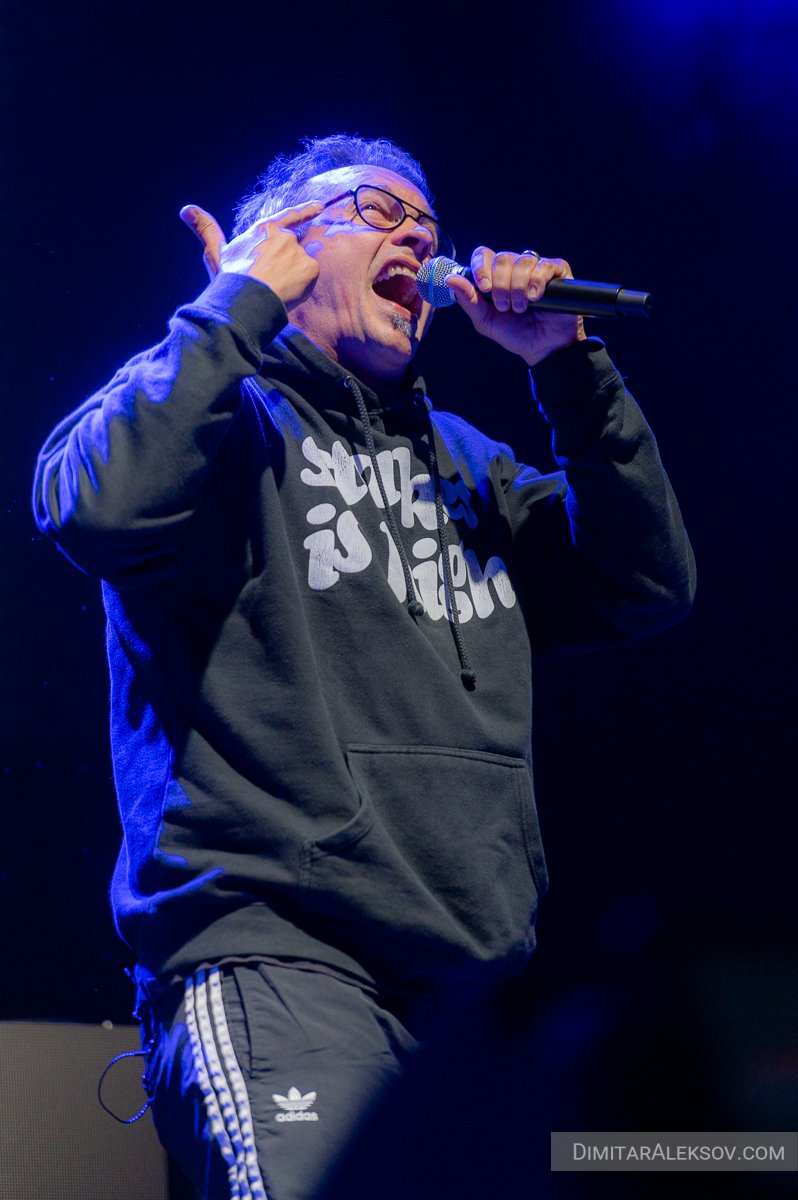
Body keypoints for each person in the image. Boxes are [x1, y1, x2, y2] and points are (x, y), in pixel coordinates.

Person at [33, 133, 695, 1199]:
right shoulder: (213, 422)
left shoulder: (471, 466)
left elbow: (647, 583)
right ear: (281, 241)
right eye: (379, 212)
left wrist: (569, 368)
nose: (420, 239)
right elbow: (92, 505)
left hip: (465, 997)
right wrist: (234, 306)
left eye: (428, 224)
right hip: (276, 961)